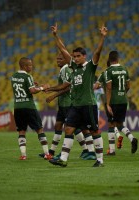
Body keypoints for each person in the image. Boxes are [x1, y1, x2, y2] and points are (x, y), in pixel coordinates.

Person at [49, 23, 108, 167]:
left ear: (84, 56)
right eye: (74, 56)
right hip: (75, 105)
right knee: (68, 129)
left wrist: (102, 37)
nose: (75, 58)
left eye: (78, 56)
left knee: (94, 131)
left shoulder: (90, 67)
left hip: (88, 104)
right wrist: (56, 36)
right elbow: (62, 50)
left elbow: (98, 52)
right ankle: (63, 159)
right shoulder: (73, 66)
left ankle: (100, 160)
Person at [43, 53, 92, 160]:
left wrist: (53, 95)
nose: (58, 60)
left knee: (73, 128)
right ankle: (50, 152)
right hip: (62, 103)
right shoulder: (63, 70)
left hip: (67, 103)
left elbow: (68, 87)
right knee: (58, 126)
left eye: (61, 58)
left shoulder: (66, 69)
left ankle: (85, 150)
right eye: (57, 58)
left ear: (66, 60)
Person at [11, 57, 52, 160]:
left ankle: (23, 155)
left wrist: (33, 84)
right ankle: (47, 154)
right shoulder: (28, 76)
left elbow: (23, 87)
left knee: (21, 131)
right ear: (24, 66)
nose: (31, 67)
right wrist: (43, 88)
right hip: (28, 106)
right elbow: (32, 91)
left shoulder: (13, 76)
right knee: (39, 129)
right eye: (29, 65)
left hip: (18, 107)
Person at [105, 51, 138, 155]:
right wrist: (122, 94)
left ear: (109, 60)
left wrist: (108, 104)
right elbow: (128, 86)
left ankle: (112, 150)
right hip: (123, 100)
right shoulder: (124, 69)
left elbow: (109, 88)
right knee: (120, 124)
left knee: (111, 124)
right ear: (118, 59)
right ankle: (132, 138)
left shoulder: (108, 71)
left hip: (113, 101)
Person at [94, 61, 123, 155]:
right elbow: (103, 97)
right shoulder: (101, 89)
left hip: (90, 107)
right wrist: (106, 105)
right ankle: (117, 135)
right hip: (98, 108)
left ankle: (94, 148)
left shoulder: (91, 87)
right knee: (111, 123)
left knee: (90, 128)